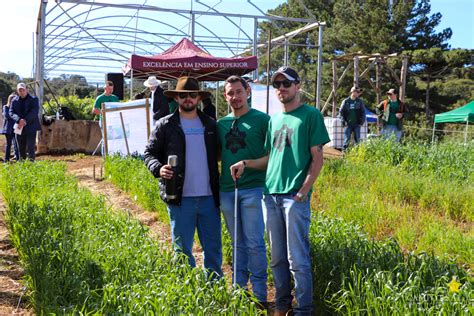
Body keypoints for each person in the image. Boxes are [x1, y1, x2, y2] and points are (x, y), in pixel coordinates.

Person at [231, 66, 330, 315]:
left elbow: (317, 159)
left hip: (293, 197)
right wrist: (246, 163)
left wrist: (302, 192)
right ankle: (282, 303)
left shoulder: (310, 116)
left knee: (297, 259)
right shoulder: (274, 119)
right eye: (277, 85)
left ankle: (304, 309)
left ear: (297, 86)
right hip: (271, 195)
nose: (281, 89)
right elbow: (269, 157)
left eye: (286, 84)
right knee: (277, 259)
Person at [144, 76, 222, 278]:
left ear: (198, 98)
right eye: (183, 95)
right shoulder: (165, 125)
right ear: (176, 98)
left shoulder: (211, 125)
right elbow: (149, 154)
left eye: (192, 95)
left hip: (209, 199)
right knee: (182, 250)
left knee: (213, 249)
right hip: (179, 198)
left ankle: (215, 293)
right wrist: (158, 168)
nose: (188, 99)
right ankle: (188, 291)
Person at [217, 75, 269, 306]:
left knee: (255, 242)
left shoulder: (263, 120)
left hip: (254, 189)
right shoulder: (221, 124)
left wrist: (247, 164)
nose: (235, 97)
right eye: (230, 93)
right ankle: (239, 290)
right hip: (227, 190)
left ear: (247, 91)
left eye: (239, 92)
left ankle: (259, 295)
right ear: (225, 96)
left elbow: (272, 158)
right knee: (236, 242)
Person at [9, 83, 41, 161]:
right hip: (19, 128)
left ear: (27, 90)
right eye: (20, 90)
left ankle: (31, 166)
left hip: (31, 127)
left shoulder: (34, 99)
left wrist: (24, 120)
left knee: (31, 148)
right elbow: (11, 112)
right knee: (20, 149)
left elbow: (34, 112)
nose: (22, 91)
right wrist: (19, 120)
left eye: (23, 90)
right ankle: (22, 166)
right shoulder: (14, 100)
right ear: (17, 91)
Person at [1, 93, 19, 162]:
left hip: (15, 128)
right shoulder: (5, 107)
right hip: (8, 129)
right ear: (10, 100)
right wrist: (15, 117)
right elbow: (7, 116)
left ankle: (17, 158)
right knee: (8, 144)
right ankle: (6, 159)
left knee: (16, 144)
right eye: (13, 99)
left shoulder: (16, 108)